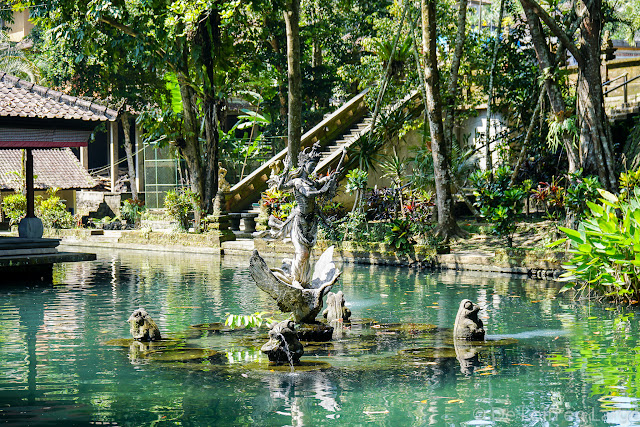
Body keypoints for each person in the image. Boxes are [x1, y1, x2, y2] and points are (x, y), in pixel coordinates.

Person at [270, 143, 343, 287]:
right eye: (311, 165)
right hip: (299, 222)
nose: (313, 168)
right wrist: (322, 191)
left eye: (315, 165)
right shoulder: (298, 182)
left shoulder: (310, 181)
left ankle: (304, 281)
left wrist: (331, 177)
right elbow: (308, 194)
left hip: (311, 222)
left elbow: (318, 184)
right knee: (302, 253)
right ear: (304, 164)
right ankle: (295, 279)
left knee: (307, 255)